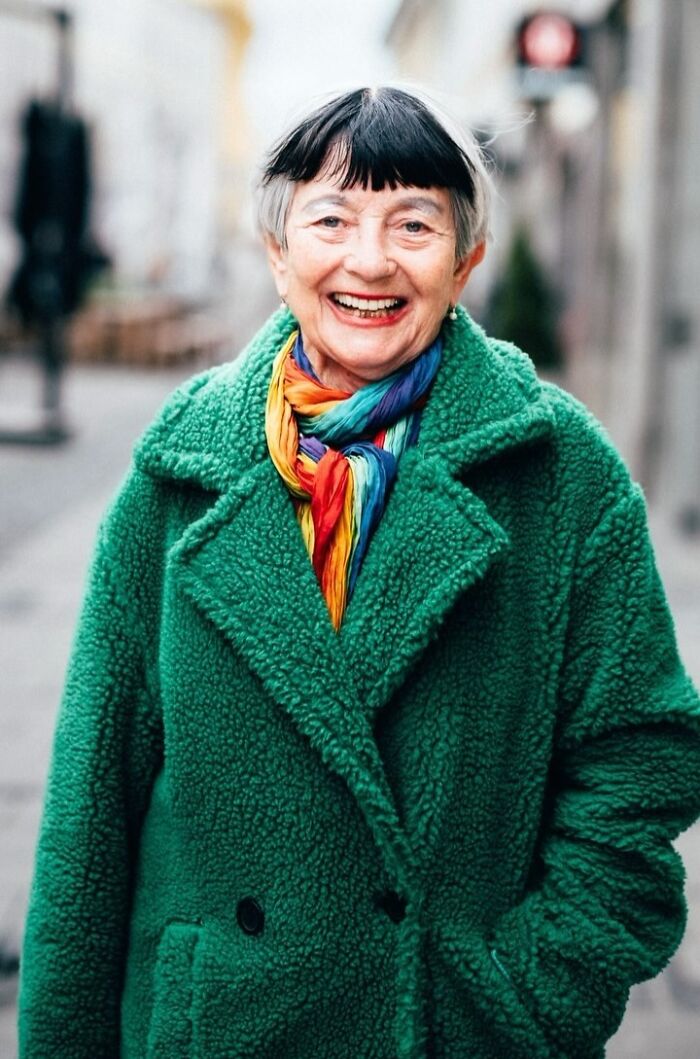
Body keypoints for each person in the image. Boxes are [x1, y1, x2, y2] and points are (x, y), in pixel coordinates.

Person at [17, 84, 700, 1059]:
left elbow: (640, 756)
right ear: (278, 250)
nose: (369, 260)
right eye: (331, 217)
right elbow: (91, 801)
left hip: (447, 1027)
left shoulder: (555, 469)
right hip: (212, 1029)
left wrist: (529, 997)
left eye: (413, 223)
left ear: (465, 260)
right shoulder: (183, 469)